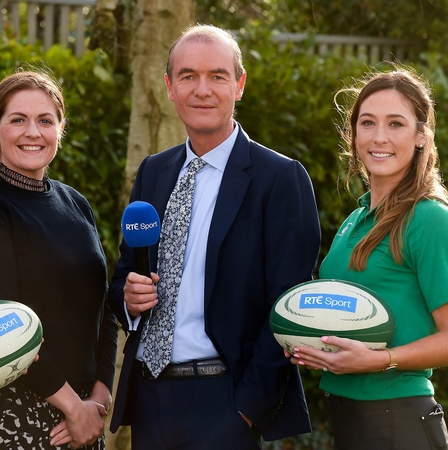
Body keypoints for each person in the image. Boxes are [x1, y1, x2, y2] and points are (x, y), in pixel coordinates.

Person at [109, 25, 321, 449]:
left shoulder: (278, 178)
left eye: (217, 76)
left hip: (225, 402)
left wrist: (246, 408)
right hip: (151, 399)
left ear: (239, 85)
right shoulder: (153, 172)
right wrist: (129, 301)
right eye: (187, 76)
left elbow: (289, 303)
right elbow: (124, 277)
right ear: (169, 87)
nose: (202, 90)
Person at [288, 68, 448, 450]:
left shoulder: (432, 221)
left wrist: (379, 360)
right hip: (348, 418)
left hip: (398, 421)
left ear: (421, 135)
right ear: (353, 133)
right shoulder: (356, 220)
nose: (379, 137)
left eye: (396, 124)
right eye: (368, 123)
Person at [0, 70, 118, 450]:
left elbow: (103, 308)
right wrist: (71, 407)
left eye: (45, 120)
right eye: (17, 120)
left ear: (60, 128)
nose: (33, 132)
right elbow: (1, 324)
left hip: (84, 418)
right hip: (12, 412)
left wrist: (98, 402)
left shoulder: (76, 204)